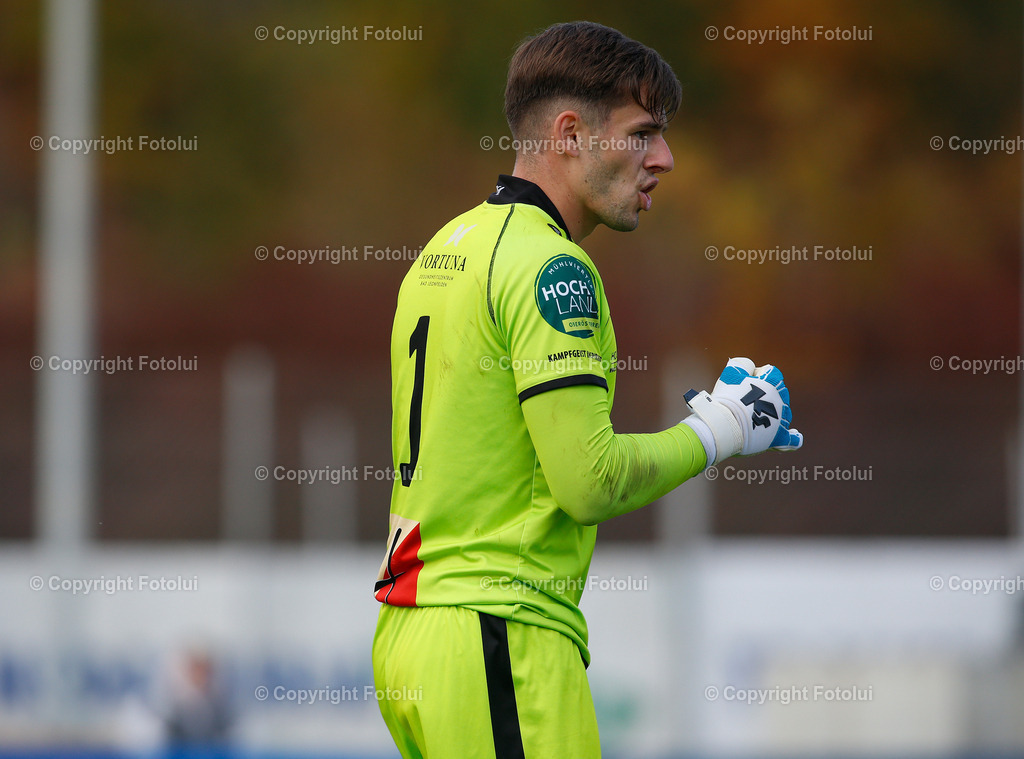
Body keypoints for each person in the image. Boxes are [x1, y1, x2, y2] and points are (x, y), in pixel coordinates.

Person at [371, 20, 803, 758]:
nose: (663, 159)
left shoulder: (447, 246)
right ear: (570, 133)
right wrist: (721, 428)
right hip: (501, 633)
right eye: (643, 133)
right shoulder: (554, 268)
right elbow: (589, 480)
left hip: (414, 638)